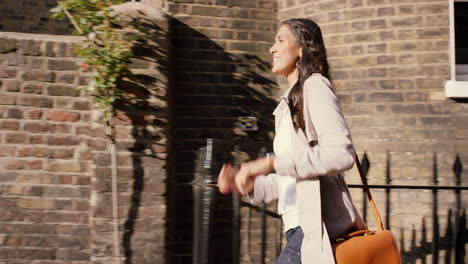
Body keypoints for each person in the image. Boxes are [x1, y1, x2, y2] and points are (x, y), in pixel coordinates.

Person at [217, 18, 367, 264]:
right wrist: (250, 183)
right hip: (299, 229)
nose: (271, 48)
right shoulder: (288, 103)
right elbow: (293, 178)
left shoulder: (315, 86)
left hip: (319, 228)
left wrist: (268, 164)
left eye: (280, 40)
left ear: (301, 49)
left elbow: (341, 154)